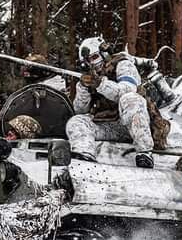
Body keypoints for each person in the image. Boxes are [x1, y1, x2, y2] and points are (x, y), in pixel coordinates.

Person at [65, 36, 154, 168]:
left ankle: (144, 153)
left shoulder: (124, 65)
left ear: (104, 53)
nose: (92, 64)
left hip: (135, 125)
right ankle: (84, 156)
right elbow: (80, 110)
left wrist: (101, 84)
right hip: (110, 126)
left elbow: (127, 90)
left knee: (130, 98)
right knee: (76, 121)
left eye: (94, 57)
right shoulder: (90, 76)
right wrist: (84, 87)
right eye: (87, 61)